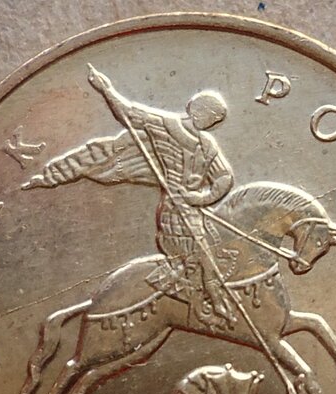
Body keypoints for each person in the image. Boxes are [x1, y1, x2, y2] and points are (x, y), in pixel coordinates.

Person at [24, 65, 237, 326]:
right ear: (198, 110)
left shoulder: (207, 144)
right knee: (201, 252)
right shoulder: (164, 125)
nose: (214, 121)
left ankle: (208, 295)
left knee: (218, 247)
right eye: (213, 115)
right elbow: (128, 113)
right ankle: (208, 302)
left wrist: (201, 198)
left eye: (217, 118)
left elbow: (224, 177)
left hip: (195, 208)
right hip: (175, 209)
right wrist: (106, 89)